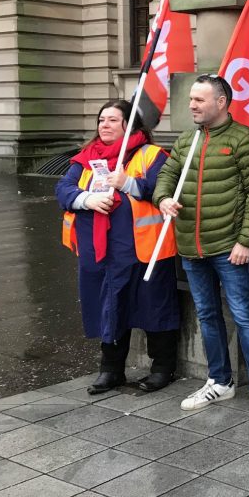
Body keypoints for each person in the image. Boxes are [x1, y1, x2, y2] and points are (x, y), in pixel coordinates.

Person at [153, 74, 249, 421]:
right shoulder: (185, 140)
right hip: (191, 248)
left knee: (245, 318)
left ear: (221, 103)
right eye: (191, 99)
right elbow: (167, 175)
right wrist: (163, 198)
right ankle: (219, 381)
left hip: (229, 247)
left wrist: (246, 240)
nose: (191, 105)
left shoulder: (243, 139)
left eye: (199, 100)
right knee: (207, 316)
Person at [57, 100, 179, 394]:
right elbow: (64, 189)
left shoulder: (151, 155)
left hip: (143, 250)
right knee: (109, 308)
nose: (105, 125)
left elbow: (162, 188)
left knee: (154, 308)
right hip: (101, 253)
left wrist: (128, 184)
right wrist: (87, 199)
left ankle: (162, 369)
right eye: (102, 120)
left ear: (130, 125)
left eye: (113, 120)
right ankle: (111, 370)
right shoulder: (85, 158)